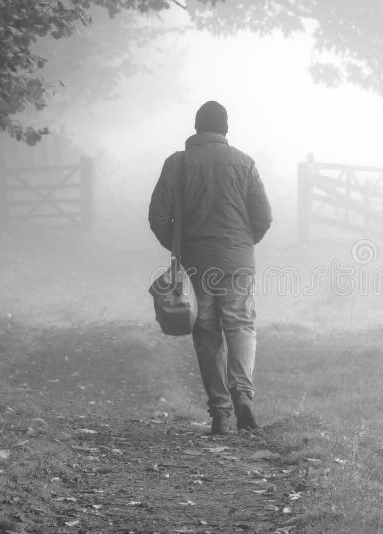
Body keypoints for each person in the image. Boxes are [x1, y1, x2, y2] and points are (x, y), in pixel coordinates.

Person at [148, 101, 272, 434]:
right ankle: (243, 396)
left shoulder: (177, 164)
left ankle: (220, 412)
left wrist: (179, 247)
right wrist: (243, 244)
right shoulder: (245, 163)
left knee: (206, 333)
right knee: (241, 325)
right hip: (237, 261)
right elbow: (263, 217)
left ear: (196, 128)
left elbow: (158, 217)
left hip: (195, 263)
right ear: (225, 129)